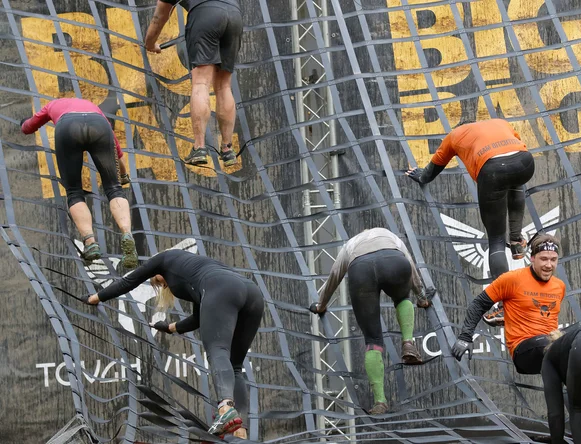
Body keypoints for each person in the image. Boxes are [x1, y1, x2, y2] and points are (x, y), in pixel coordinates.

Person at [83, 250, 264, 439]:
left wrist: (95, 298)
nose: (162, 285)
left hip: (223, 290)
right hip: (252, 293)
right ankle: (239, 433)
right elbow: (199, 317)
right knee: (235, 366)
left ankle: (225, 408)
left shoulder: (162, 260)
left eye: (160, 283)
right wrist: (170, 327)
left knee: (218, 350)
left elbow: (128, 281)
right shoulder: (198, 269)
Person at [406, 119, 536, 326]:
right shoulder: (498, 122)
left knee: (495, 240)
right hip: (525, 162)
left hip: (492, 169)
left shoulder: (455, 135)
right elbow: (514, 148)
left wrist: (420, 176)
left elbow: (433, 168)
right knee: (515, 180)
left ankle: (506, 304)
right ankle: (517, 241)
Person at [309, 228, 434, 415]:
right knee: (402, 298)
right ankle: (408, 343)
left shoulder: (351, 244)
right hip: (394, 261)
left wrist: (321, 304)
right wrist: (422, 297)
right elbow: (410, 266)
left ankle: (380, 402)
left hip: (361, 269)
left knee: (373, 341)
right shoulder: (390, 236)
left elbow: (335, 275)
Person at [21, 98, 138, 268]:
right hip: (99, 126)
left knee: (74, 192)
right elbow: (116, 148)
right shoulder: (94, 109)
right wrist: (123, 173)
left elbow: (29, 127)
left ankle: (90, 242)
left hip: (68, 127)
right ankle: (127, 233)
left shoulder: (52, 105)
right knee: (114, 189)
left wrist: (23, 124)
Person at [451, 234, 565, 375]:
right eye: (544, 259)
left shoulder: (559, 286)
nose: (549, 265)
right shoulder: (511, 279)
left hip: (552, 345)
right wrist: (465, 337)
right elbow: (478, 304)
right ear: (532, 258)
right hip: (523, 351)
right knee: (555, 344)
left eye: (553, 260)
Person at [144, 0, 241, 167]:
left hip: (205, 15)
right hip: (234, 15)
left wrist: (150, 43)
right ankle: (227, 149)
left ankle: (199, 147)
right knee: (224, 86)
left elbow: (159, 15)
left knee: (201, 83)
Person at [542, 322, 581, 444]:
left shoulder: (549, 357)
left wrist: (557, 441)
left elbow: (555, 413)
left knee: (579, 409)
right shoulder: (579, 335)